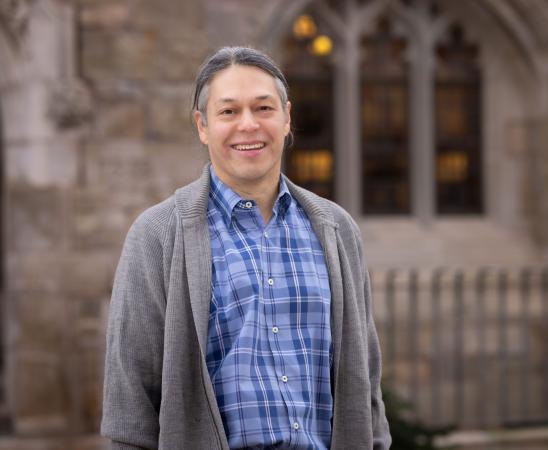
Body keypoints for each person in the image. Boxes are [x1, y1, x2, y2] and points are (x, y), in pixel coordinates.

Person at [101, 46, 391, 450]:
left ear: (287, 117)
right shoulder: (157, 235)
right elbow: (131, 401)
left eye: (263, 108)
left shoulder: (336, 229)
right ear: (203, 125)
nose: (248, 125)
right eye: (229, 111)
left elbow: (366, 381)